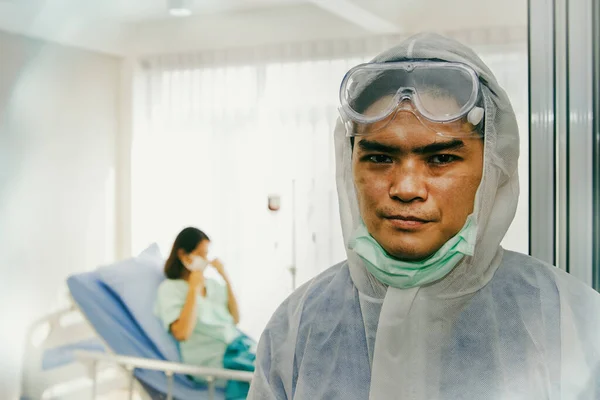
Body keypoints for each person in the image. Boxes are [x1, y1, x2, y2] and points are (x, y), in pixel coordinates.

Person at [247, 33, 600, 399]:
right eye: (380, 158)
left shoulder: (573, 321)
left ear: (493, 168)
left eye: (441, 158)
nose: (406, 188)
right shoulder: (297, 327)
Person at [154, 227, 255, 399]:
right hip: (213, 358)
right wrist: (193, 288)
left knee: (280, 361)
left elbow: (235, 319)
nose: (205, 259)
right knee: (270, 372)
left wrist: (225, 276)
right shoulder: (170, 289)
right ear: (183, 255)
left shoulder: (213, 285)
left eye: (206, 253)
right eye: (200, 254)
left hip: (237, 347)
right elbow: (182, 333)